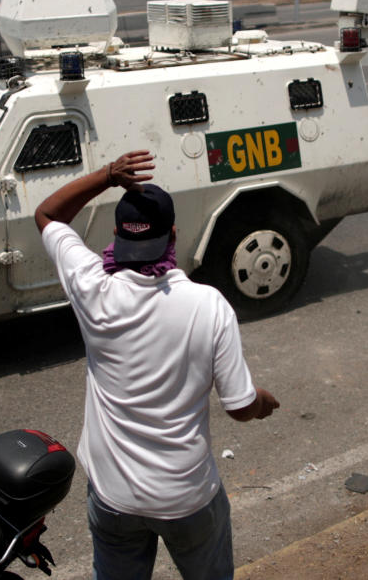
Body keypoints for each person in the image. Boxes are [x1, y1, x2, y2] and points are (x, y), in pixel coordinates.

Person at [34, 150, 280, 580]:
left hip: (114, 495)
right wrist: (263, 401)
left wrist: (108, 176)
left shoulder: (93, 288)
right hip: (186, 496)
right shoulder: (208, 305)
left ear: (115, 235)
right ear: (174, 237)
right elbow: (240, 407)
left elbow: (48, 214)